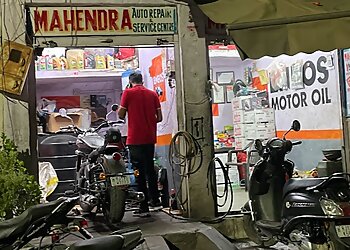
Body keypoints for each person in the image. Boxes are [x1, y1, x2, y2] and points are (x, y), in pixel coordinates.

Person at [118, 72, 163, 217]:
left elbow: (120, 114)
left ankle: (143, 206)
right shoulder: (153, 94)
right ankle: (155, 201)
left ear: (130, 82)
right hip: (150, 138)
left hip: (135, 139)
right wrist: (147, 122)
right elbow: (160, 118)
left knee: (138, 172)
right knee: (150, 169)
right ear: (142, 81)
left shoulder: (128, 93)